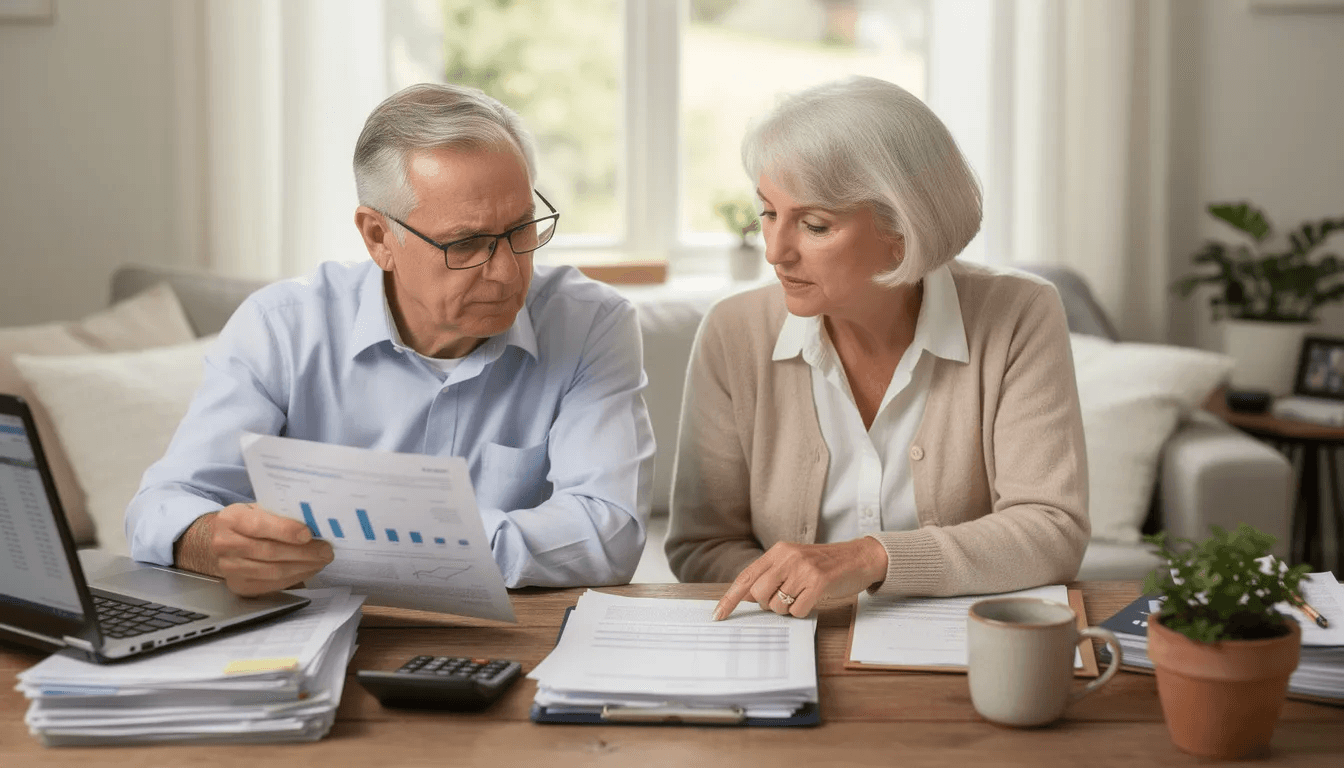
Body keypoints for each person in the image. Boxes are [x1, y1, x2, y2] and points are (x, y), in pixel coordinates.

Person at [126, 83, 655, 595]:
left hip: (517, 638)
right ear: (379, 237)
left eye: (520, 230)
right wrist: (209, 542)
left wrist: (391, 547)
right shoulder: (280, 327)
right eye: (467, 243)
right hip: (320, 639)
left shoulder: (590, 325)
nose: (505, 271)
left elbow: (609, 531)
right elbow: (162, 506)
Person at [665, 76, 1089, 620]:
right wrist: (800, 596)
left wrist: (871, 559)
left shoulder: (1021, 315)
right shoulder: (733, 331)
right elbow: (700, 546)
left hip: (960, 649)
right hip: (792, 644)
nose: (776, 251)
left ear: (903, 229)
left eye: (815, 224)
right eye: (768, 212)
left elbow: (1052, 530)